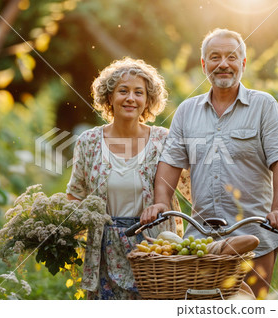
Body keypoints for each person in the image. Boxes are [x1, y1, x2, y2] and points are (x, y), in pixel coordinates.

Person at [141, 28, 278, 298]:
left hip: (254, 233)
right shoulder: (187, 111)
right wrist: (161, 202)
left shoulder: (264, 105)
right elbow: (170, 162)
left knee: (251, 306)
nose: (223, 64)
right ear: (204, 65)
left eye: (232, 57)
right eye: (215, 57)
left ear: (243, 64)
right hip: (201, 238)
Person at [66, 57, 187, 299]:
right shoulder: (89, 142)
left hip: (154, 250)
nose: (130, 98)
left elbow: (193, 187)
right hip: (103, 250)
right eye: (123, 91)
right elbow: (75, 195)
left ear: (148, 101)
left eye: (138, 92)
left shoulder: (163, 139)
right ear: (109, 98)